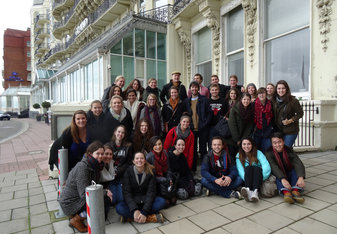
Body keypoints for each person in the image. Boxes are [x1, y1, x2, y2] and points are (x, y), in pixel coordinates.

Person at [59, 141, 112, 233]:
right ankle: (76, 219)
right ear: (90, 154)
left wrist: (105, 190)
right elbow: (84, 194)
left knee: (104, 207)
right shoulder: (83, 168)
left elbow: (94, 184)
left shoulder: (95, 165)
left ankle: (79, 214)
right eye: (98, 153)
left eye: (102, 154)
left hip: (76, 198)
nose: (100, 156)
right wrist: (104, 193)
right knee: (105, 199)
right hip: (70, 203)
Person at [116, 152, 166, 223]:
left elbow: (151, 193)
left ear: (145, 160)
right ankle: (150, 218)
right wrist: (134, 210)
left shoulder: (151, 172)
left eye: (142, 158)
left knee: (161, 202)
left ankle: (131, 218)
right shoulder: (128, 172)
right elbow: (127, 193)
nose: (139, 160)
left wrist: (145, 211)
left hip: (146, 201)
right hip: (134, 202)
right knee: (119, 208)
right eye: (137, 158)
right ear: (133, 161)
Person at [265, 132, 305, 204]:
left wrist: (301, 177)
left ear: (283, 142)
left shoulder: (289, 150)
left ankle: (295, 191)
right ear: (272, 144)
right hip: (278, 173)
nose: (277, 145)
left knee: (294, 171)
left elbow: (297, 163)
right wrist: (283, 179)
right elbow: (274, 166)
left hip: (288, 171)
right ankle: (286, 192)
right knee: (276, 176)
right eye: (274, 143)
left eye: (279, 142)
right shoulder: (268, 152)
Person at [185, 81, 212, 172]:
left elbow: (209, 113)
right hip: (192, 128)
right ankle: (193, 169)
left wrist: (205, 123)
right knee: (192, 149)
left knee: (203, 149)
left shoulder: (204, 99)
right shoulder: (187, 101)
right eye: (192, 87)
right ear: (190, 89)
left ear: (199, 88)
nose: (194, 89)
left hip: (203, 128)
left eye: (196, 87)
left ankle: (204, 168)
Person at [236, 137, 271, 202]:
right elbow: (240, 170)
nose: (246, 146)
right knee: (249, 168)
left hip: (259, 176)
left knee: (256, 168)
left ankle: (255, 192)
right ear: (241, 145)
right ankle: (249, 190)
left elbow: (266, 166)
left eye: (249, 144)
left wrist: (259, 178)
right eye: (244, 144)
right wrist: (249, 179)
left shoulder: (258, 153)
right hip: (247, 179)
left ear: (252, 145)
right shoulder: (238, 155)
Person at [146, 136, 176, 207]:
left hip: (165, 179)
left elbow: (168, 169)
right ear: (152, 146)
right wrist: (163, 180)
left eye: (159, 144)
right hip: (155, 182)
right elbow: (150, 175)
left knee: (173, 201)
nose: (158, 147)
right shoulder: (149, 157)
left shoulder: (165, 153)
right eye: (155, 145)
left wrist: (169, 179)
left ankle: (167, 195)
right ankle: (161, 197)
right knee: (167, 203)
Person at [272, 80, 303, 147]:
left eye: (283, 88)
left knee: (286, 148)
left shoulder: (293, 100)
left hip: (290, 130)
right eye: (279, 88)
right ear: (276, 90)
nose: (281, 90)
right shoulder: (273, 100)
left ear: (287, 89)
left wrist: (290, 120)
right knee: (280, 150)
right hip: (278, 130)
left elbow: (300, 113)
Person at [253, 87, 274, 153]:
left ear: (266, 94)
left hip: (267, 131)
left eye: (263, 93)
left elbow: (273, 117)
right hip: (256, 131)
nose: (261, 95)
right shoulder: (253, 104)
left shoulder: (270, 104)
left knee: (267, 150)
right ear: (257, 95)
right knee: (256, 150)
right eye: (259, 93)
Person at [208, 83, 228, 148]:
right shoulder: (207, 101)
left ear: (219, 90)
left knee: (221, 144)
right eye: (212, 90)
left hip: (221, 126)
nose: (214, 91)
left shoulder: (224, 101)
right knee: (212, 145)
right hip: (210, 127)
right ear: (210, 91)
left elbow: (226, 113)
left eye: (216, 90)